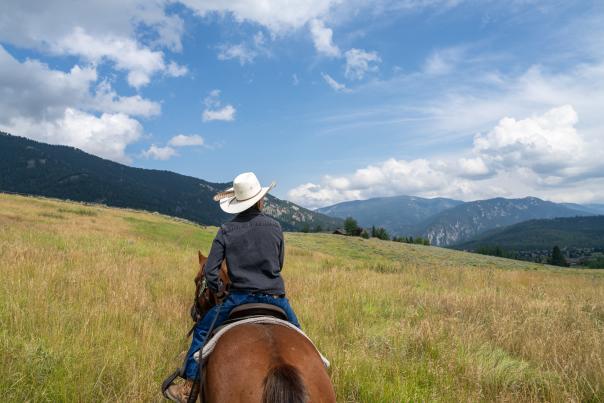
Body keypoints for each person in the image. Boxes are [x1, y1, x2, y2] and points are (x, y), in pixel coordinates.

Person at [165, 172, 301, 402]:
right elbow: (279, 263)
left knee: (200, 332)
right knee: (300, 336)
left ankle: (189, 385)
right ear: (260, 200)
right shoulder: (276, 227)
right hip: (277, 299)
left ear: (238, 203)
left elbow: (210, 271)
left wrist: (219, 290)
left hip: (238, 300)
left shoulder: (226, 230)